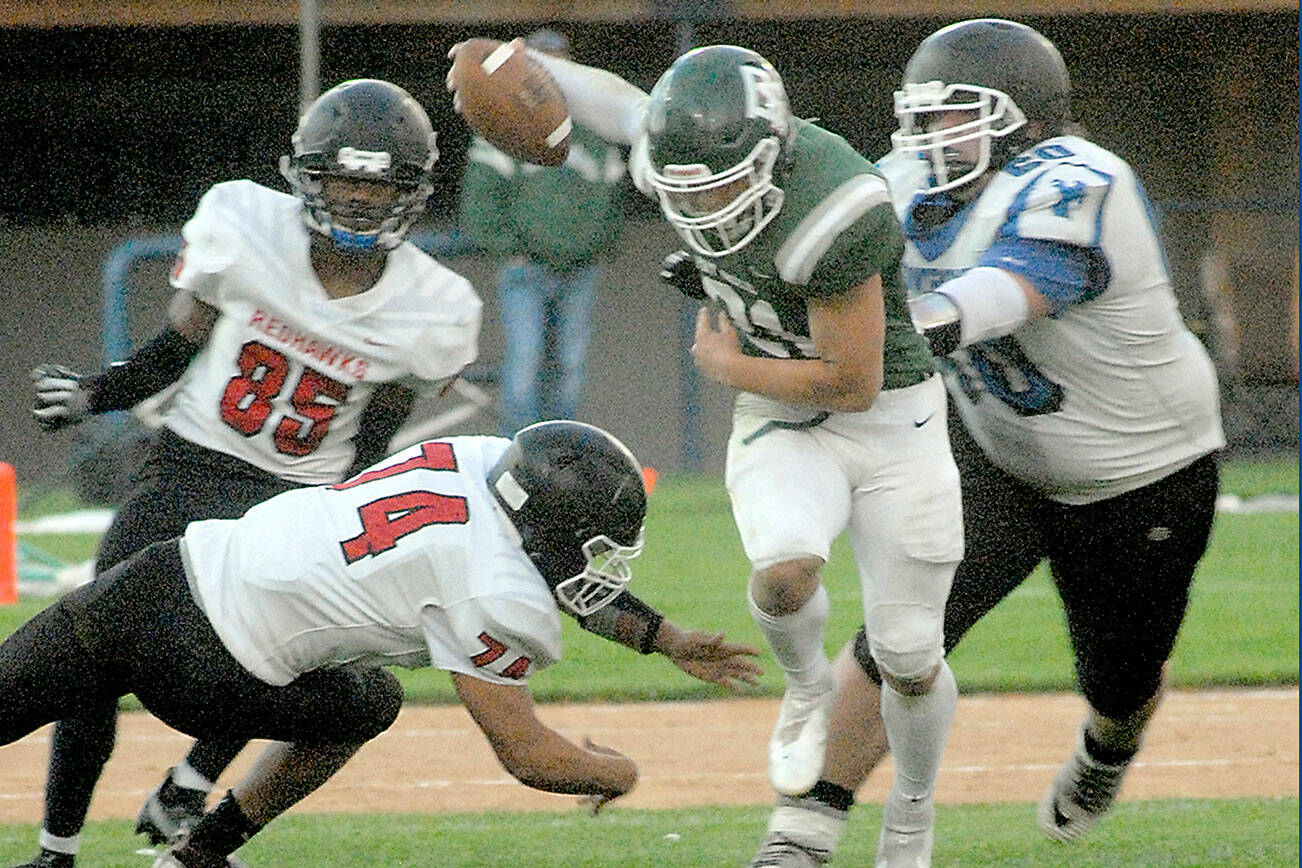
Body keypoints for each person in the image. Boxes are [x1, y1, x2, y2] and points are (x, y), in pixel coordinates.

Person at [450, 40, 965, 866]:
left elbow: (852, 382)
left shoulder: (832, 209)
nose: (710, 205)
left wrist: (725, 366)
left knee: (908, 653)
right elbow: (616, 103)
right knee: (784, 571)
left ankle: (912, 813)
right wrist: (501, 53)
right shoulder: (676, 155)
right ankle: (805, 689)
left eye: (726, 183)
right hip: (779, 413)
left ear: (776, 153)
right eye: (690, 189)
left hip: (890, 420)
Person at [747, 19, 1224, 867]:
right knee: (902, 629)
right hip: (996, 452)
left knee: (1119, 677)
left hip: (1140, 473)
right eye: (921, 118)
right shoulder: (905, 183)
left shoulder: (1082, 179)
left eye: (953, 115)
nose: (929, 137)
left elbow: (1008, 292)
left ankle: (1109, 750)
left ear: (1025, 119)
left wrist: (904, 329)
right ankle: (805, 829)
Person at [20, 79, 484, 868]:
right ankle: (56, 851)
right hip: (190, 465)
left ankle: (187, 788)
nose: (360, 200)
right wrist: (99, 392)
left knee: (276, 651)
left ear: (409, 191)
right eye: (345, 179)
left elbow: (375, 439)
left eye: (377, 184)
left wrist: (349, 518)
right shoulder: (244, 223)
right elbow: (175, 350)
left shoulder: (434, 307)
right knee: (91, 652)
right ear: (306, 176)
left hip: (299, 496)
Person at [0, 420, 764, 867]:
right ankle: (203, 850)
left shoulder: (478, 457)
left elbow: (547, 557)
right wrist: (616, 772)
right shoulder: (493, 591)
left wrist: (660, 636)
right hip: (212, 677)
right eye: (590, 542)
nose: (592, 560)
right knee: (370, 702)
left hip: (163, 573)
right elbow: (526, 754)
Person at [457, 28, 628, 436]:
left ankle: (562, 455)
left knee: (570, 365)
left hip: (580, 270)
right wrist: (511, 249)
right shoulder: (501, 125)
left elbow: (615, 202)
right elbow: (479, 204)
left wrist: (596, 246)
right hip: (526, 268)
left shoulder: (596, 130)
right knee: (525, 363)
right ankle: (516, 456)